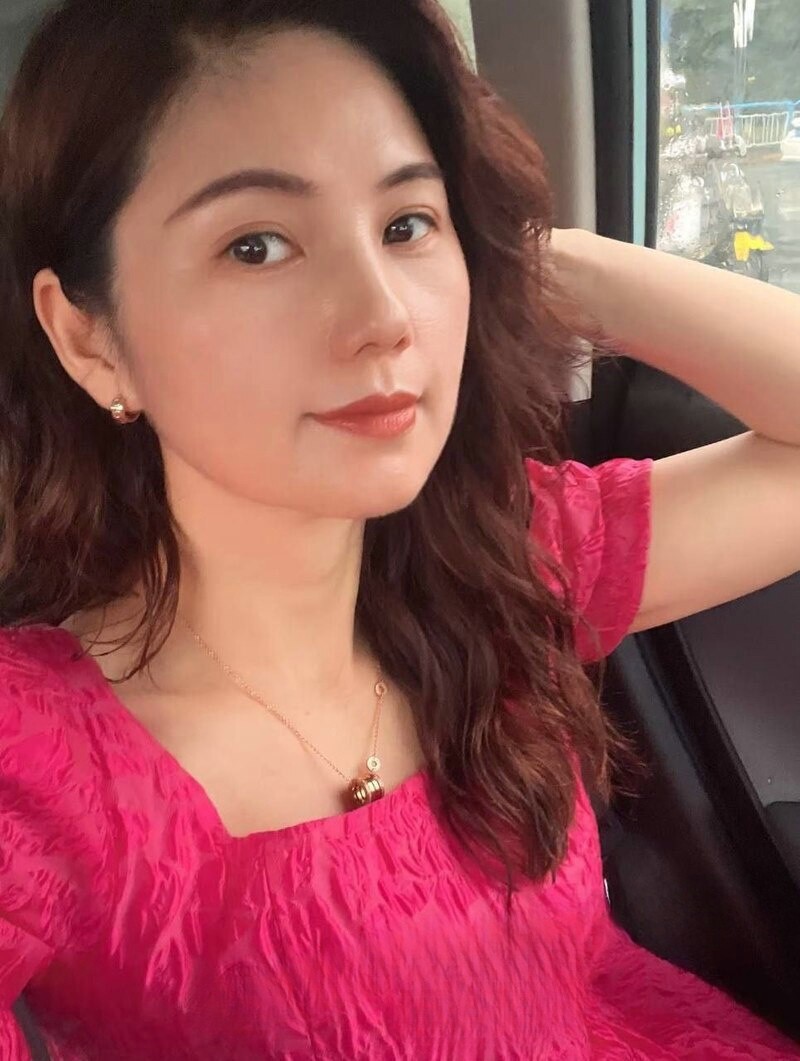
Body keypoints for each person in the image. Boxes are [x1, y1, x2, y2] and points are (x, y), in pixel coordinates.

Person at [0, 1, 799, 1058]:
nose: (382, 315)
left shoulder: (504, 558)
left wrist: (555, 264)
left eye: (407, 225)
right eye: (256, 245)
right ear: (88, 338)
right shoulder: (33, 761)